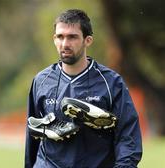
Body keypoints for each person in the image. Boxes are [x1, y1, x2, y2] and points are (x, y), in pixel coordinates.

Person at [25, 9, 142, 168]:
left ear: (88, 40)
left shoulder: (111, 83)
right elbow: (32, 138)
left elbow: (128, 137)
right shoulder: (41, 81)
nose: (65, 44)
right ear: (54, 39)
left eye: (72, 37)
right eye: (60, 37)